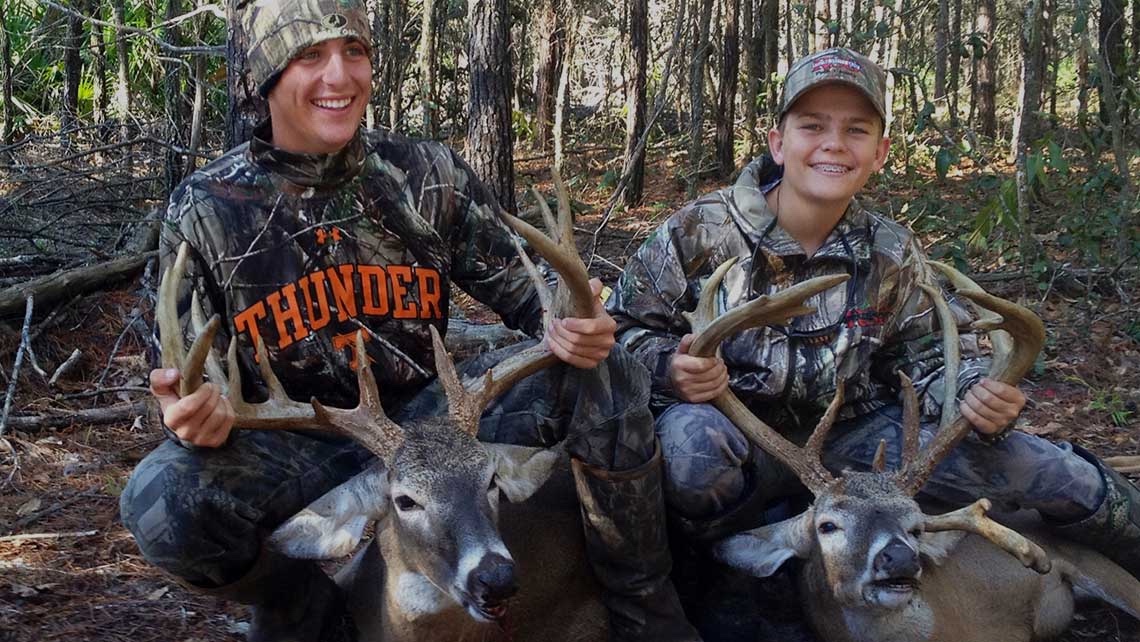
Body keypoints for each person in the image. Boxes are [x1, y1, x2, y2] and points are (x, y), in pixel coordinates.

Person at [118, 1, 700, 640]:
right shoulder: (206, 211)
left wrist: (571, 321)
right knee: (162, 499)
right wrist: (192, 413)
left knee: (605, 371)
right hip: (301, 443)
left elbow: (532, 296)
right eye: (309, 56)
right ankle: (304, 611)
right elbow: (179, 379)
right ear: (264, 78)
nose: (339, 76)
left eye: (355, 52)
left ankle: (644, 605)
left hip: (434, 425)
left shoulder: (425, 174)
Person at [606, 47, 1140, 579]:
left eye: (856, 130)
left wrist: (980, 393)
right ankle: (723, 581)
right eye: (812, 126)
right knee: (693, 454)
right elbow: (624, 329)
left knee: (1048, 471)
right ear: (778, 142)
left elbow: (929, 353)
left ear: (880, 151)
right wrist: (671, 369)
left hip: (861, 443)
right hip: (739, 436)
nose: (834, 144)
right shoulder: (697, 229)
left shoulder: (890, 249)